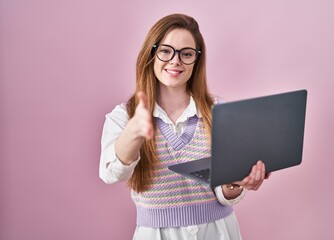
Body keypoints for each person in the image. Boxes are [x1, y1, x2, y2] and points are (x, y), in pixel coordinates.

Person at [99, 13, 270, 240]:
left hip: (218, 231)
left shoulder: (220, 113)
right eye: (166, 51)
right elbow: (111, 173)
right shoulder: (123, 117)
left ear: (196, 60)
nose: (175, 61)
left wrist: (235, 183)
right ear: (151, 53)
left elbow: (224, 193)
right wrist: (134, 132)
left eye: (186, 54)